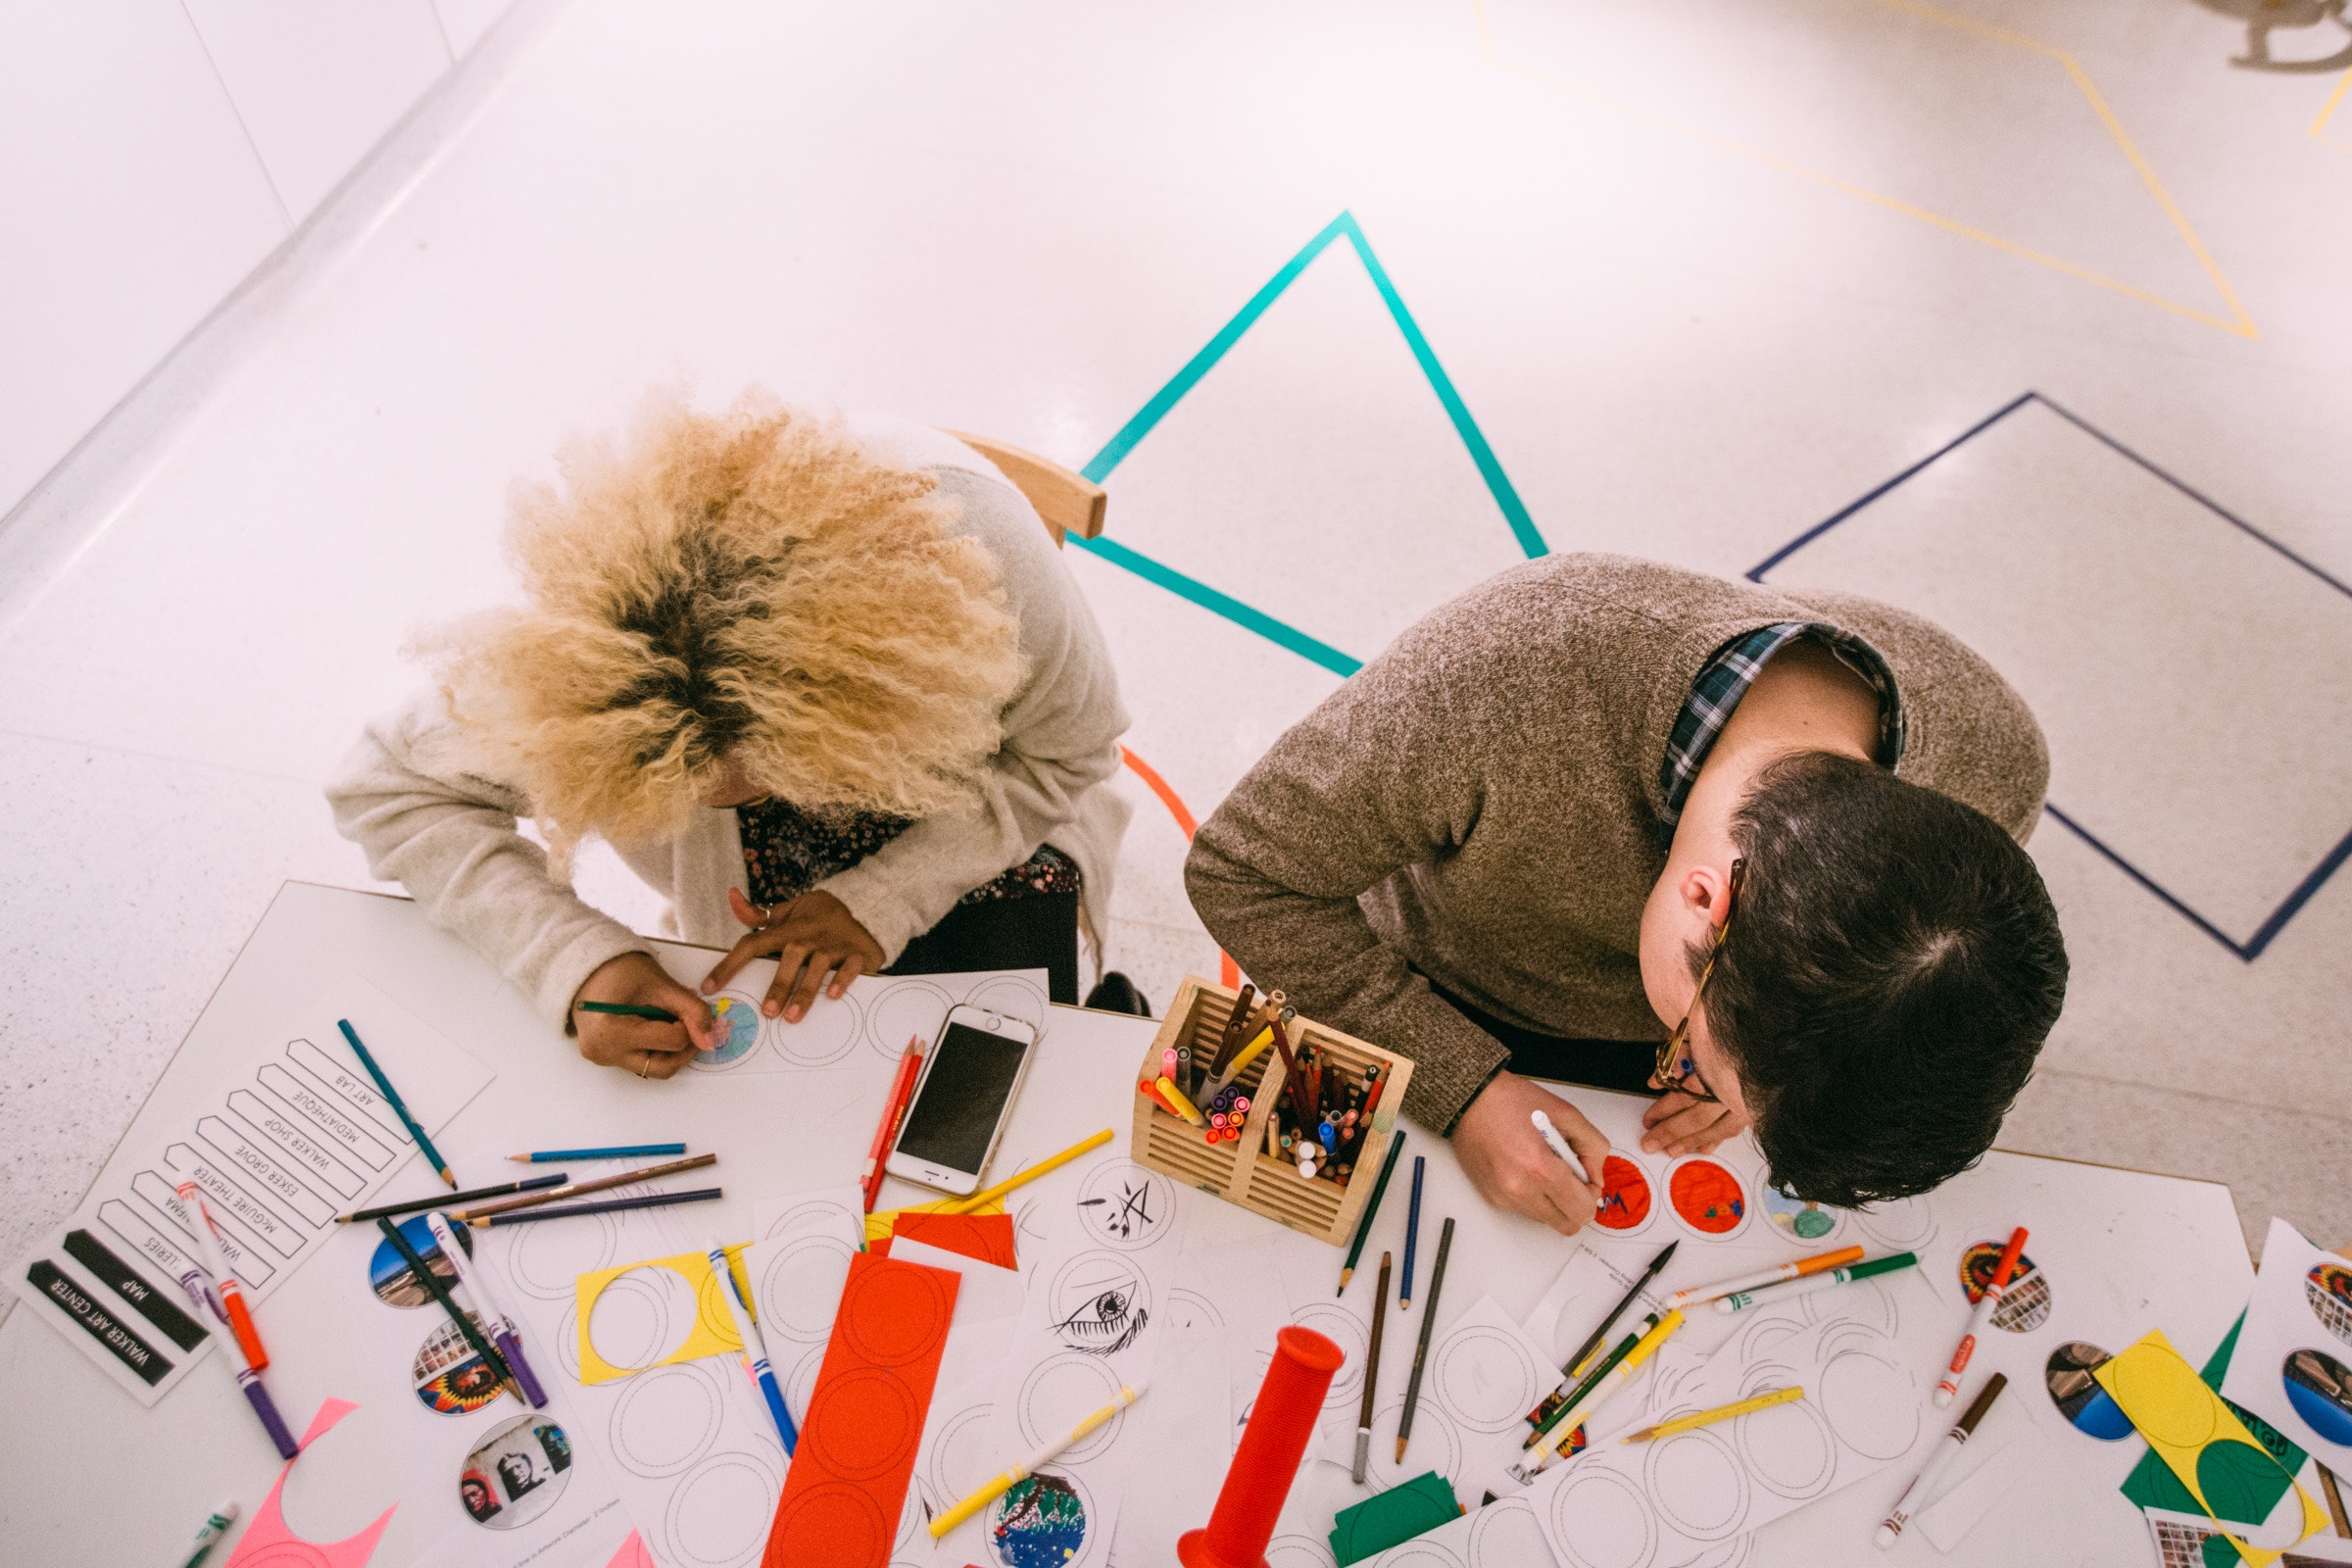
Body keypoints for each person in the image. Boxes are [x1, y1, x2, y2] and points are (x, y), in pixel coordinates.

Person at [1186, 553, 2066, 1233]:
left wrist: (1751, 1079)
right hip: (1419, 983)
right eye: (1698, 1050)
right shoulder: (1506, 673)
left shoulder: (1992, 760)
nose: (1682, 1074)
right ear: (1705, 901)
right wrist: (1460, 1089)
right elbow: (1243, 872)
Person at [329, 393, 1135, 1080]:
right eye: (677, 788)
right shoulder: (584, 659)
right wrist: (570, 959)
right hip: (757, 907)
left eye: (746, 780)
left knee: (1009, 1074)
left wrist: (884, 897)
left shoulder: (983, 558)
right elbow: (388, 785)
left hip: (991, 829)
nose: (709, 803)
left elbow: (1072, 750)